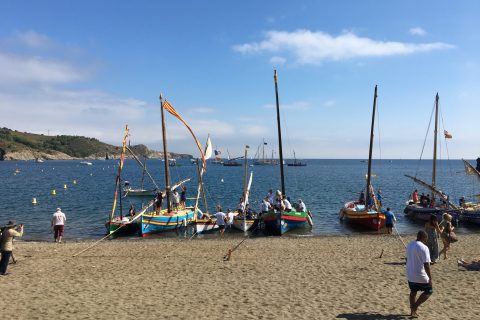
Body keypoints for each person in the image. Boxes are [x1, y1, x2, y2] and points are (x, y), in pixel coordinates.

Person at [406, 230, 433, 318]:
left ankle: (412, 312)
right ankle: (415, 306)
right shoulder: (424, 248)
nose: (426, 240)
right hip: (420, 275)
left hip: (410, 274)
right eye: (426, 238)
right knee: (429, 291)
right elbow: (426, 265)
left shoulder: (410, 244)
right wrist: (430, 278)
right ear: (423, 237)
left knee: (413, 292)